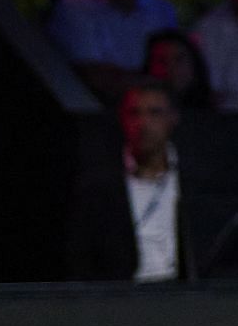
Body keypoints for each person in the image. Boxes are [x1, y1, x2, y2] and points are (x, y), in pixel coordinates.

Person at [67, 78, 191, 281]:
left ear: (173, 117)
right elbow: (81, 258)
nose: (143, 123)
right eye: (134, 113)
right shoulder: (98, 186)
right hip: (122, 300)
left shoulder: (195, 179)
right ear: (122, 118)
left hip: (186, 297)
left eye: (154, 112)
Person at [48, 0, 178, 104]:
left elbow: (174, 72)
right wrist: (153, 81)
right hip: (95, 110)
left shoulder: (162, 10)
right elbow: (94, 77)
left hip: (155, 111)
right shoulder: (73, 7)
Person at [142, 27, 214, 111]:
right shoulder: (137, 115)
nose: (171, 68)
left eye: (179, 59)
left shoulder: (215, 112)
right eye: (162, 61)